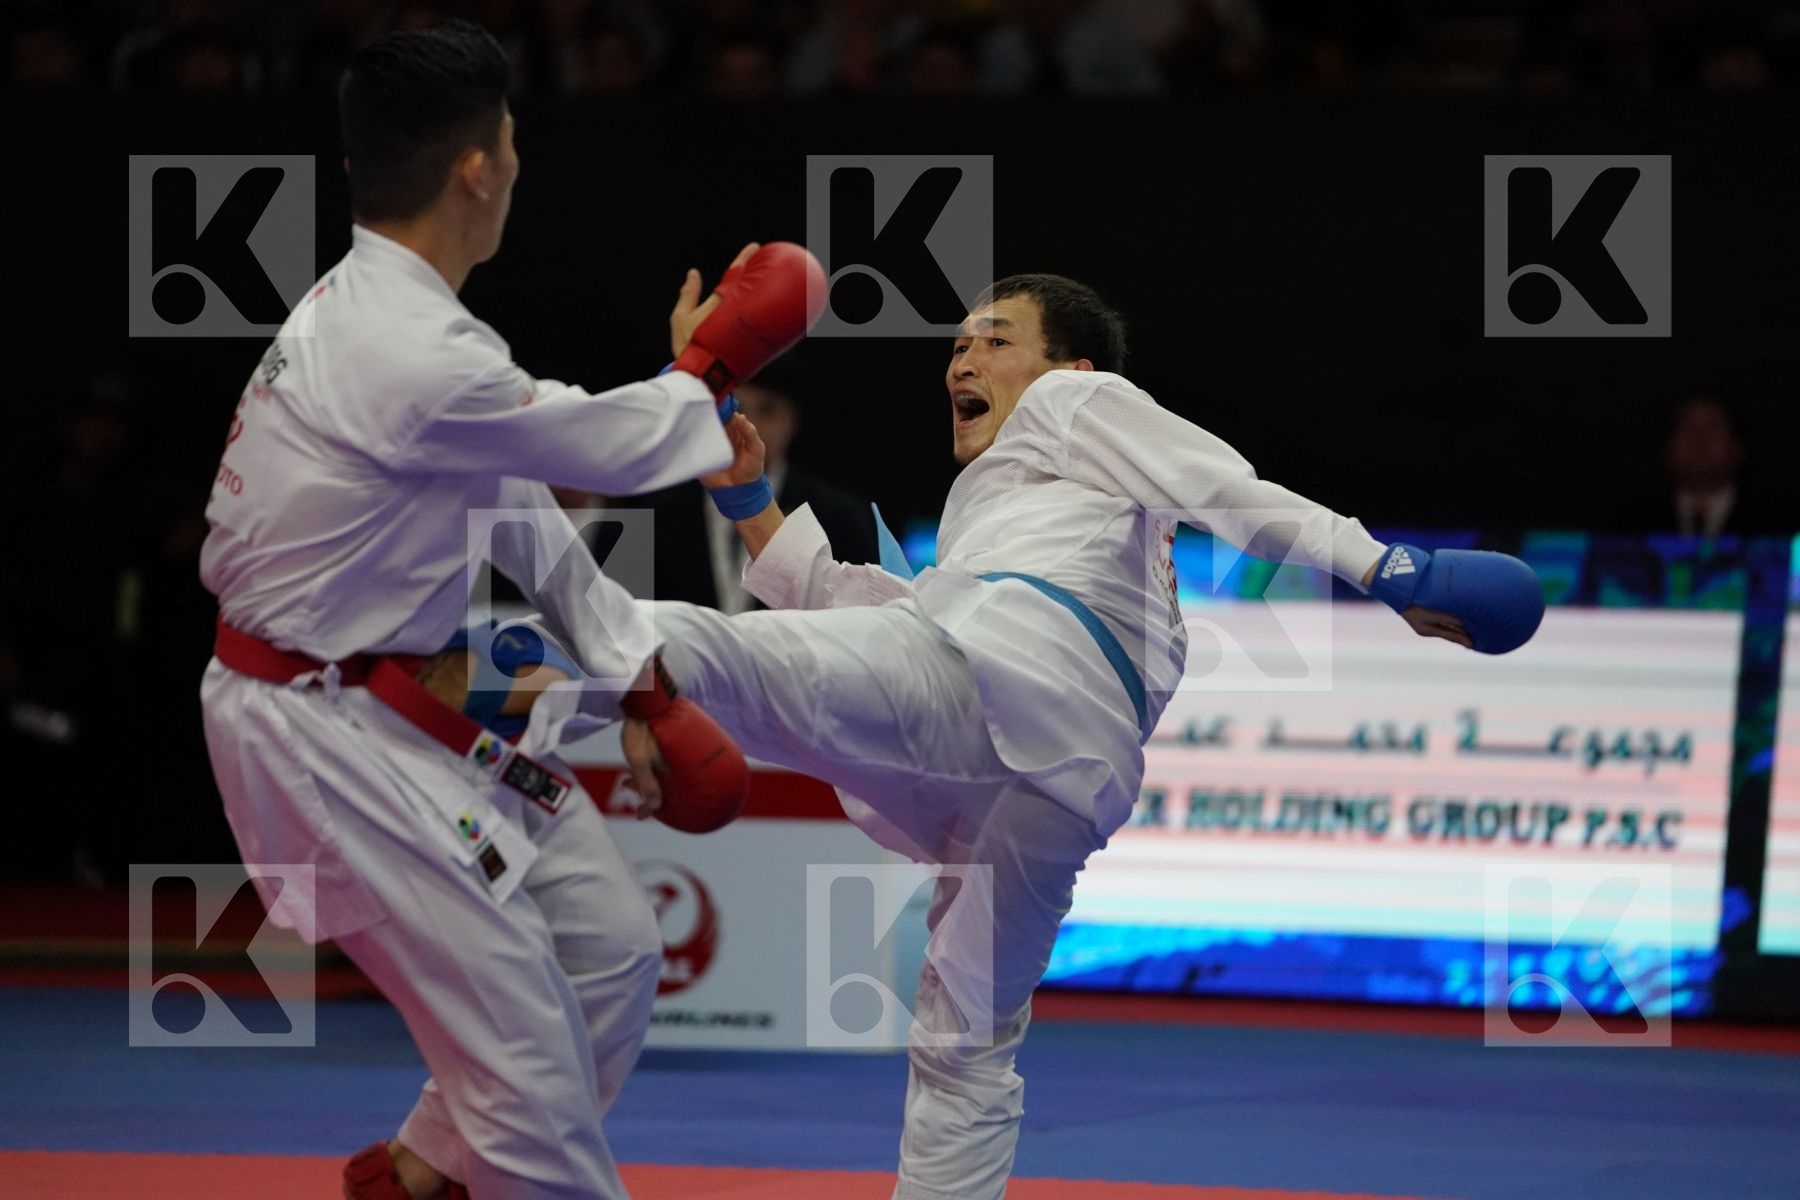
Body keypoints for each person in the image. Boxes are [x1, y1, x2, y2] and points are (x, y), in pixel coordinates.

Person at [633, 273, 1544, 1199]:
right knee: (967, 1051)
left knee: (716, 656)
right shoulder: (1055, 526)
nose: (963, 357)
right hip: (1053, 784)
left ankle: (525, 669)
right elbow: (871, 608)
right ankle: (601, 669)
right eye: (956, 345)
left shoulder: (1074, 401)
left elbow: (1231, 492)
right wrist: (750, 502)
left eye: (994, 340)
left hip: (986, 691)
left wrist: (1394, 569)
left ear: (1069, 366)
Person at [197, 20, 812, 1200]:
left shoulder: (404, 325)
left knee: (611, 955)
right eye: (515, 140)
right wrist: (714, 363)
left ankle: (421, 1174)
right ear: (478, 166)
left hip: (407, 688)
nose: (520, 163)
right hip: (318, 730)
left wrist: (635, 674)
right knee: (524, 1063)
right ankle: (472, 1167)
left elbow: (521, 507)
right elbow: (609, 446)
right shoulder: (406, 350)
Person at [601, 358, 882, 612]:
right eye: (736, 409)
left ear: (793, 419)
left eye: (768, 410)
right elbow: (621, 630)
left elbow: (861, 626)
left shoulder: (841, 518)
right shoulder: (652, 512)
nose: (749, 424)